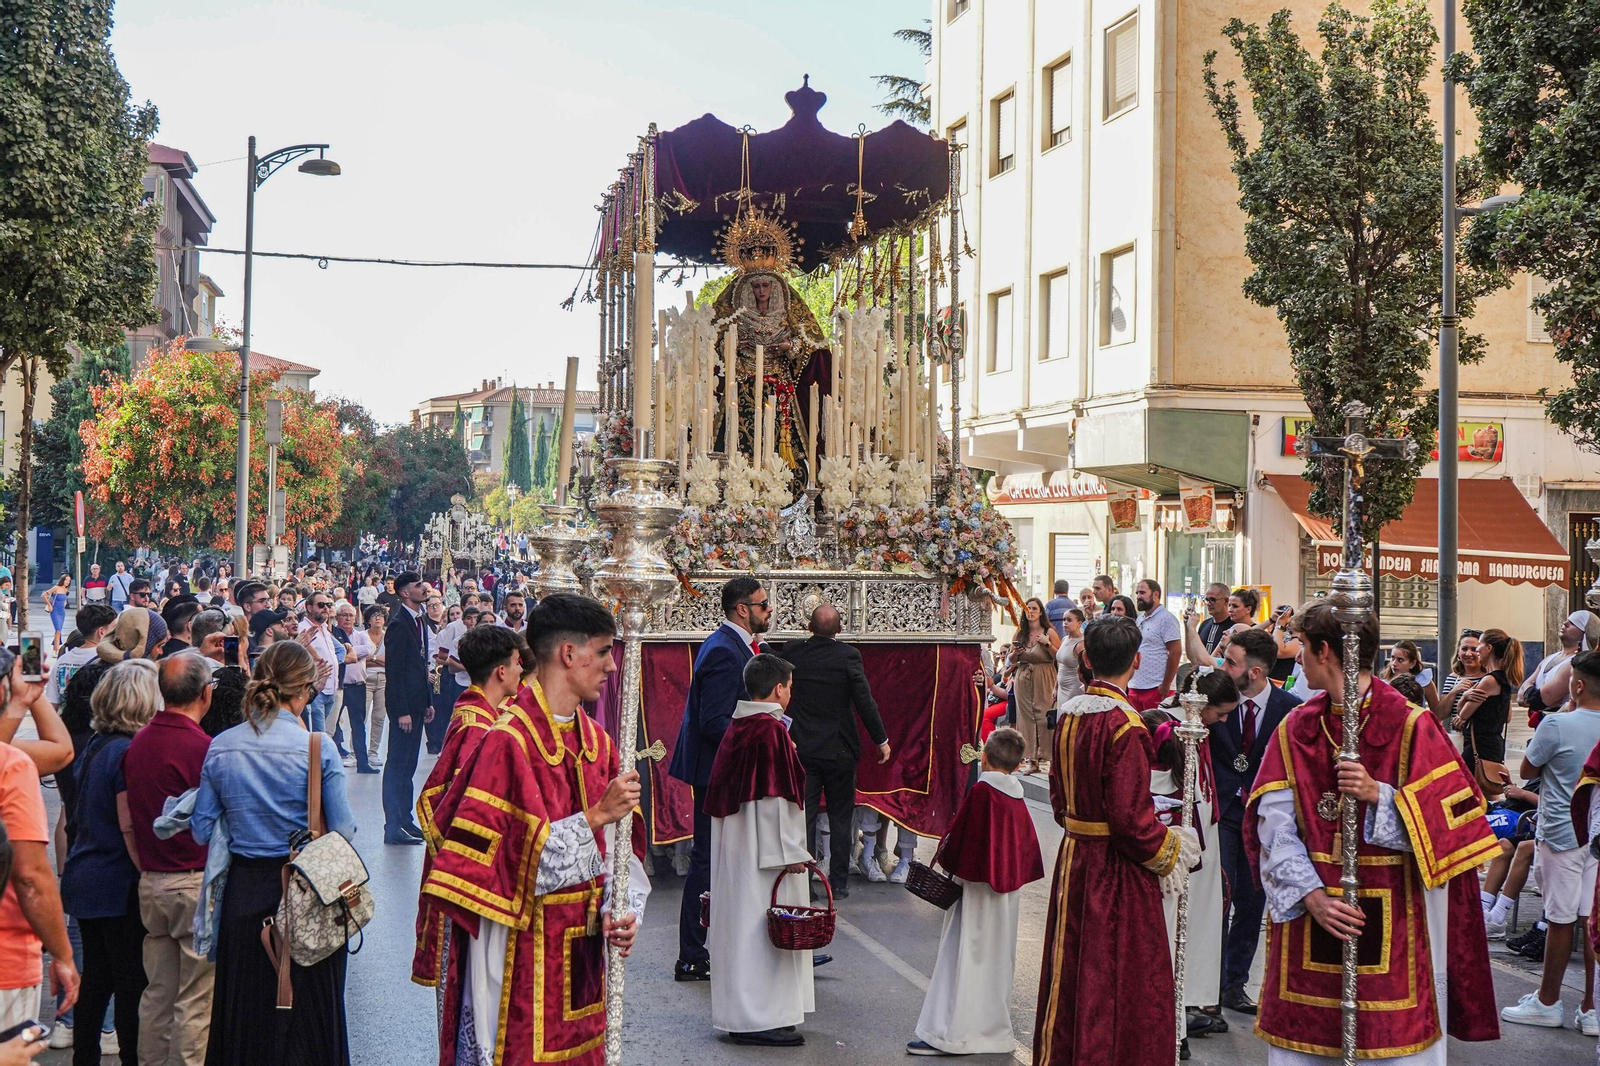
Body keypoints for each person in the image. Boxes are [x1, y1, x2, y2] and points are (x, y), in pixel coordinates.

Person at [1246, 600, 1500, 1061]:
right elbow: (1273, 827)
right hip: (1311, 916)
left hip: (1398, 926)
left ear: (1325, 650)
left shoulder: (1410, 724)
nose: (1296, 656)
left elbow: (1461, 828)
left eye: (1301, 646)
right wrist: (1312, 896)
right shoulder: (1296, 728)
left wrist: (1379, 794)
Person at [420, 593, 645, 1066]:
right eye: (602, 652)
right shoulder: (507, 743)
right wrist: (595, 817)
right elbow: (500, 871)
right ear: (569, 654)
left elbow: (620, 855)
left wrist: (620, 908)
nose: (610, 667)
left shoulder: (599, 742)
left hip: (582, 957)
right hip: (519, 956)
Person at [1033, 615, 1197, 1065]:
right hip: (1114, 867)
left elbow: (1057, 795)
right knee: (1116, 975)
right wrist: (1172, 848)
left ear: (1086, 660)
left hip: (1075, 857)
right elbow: (1130, 820)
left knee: (1074, 971)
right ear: (1138, 661)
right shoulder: (1126, 726)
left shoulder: (1070, 714)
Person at [190, 641, 355, 1066]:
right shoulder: (318, 747)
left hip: (245, 892)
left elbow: (201, 829)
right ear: (303, 691)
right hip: (306, 893)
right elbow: (345, 831)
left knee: (244, 1011)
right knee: (309, 1013)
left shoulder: (223, 745)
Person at [907, 727, 1044, 1057]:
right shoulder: (1016, 793)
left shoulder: (983, 792)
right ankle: (992, 1032)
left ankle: (952, 1035)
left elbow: (958, 839)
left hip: (977, 890)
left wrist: (945, 860)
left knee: (963, 956)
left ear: (983, 757)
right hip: (1006, 894)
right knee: (997, 960)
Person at [705, 654, 813, 1047]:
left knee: (744, 926)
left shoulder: (742, 724)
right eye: (790, 687)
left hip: (739, 842)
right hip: (761, 850)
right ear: (779, 688)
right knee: (759, 926)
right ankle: (757, 1017)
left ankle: (754, 1013)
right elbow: (772, 798)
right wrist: (790, 852)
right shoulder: (768, 731)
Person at [60, 660, 162, 1066]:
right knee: (129, 980)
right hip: (117, 877)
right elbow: (128, 825)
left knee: (98, 979)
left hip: (86, 872)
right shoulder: (127, 751)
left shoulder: (96, 745)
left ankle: (84, 1057)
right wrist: (149, 872)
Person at [411, 624, 523, 988]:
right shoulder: (477, 728)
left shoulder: (485, 713)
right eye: (518, 664)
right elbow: (465, 813)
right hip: (468, 878)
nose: (522, 671)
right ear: (501, 671)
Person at [668, 576, 768, 982]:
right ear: (742, 609)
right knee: (708, 862)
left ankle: (729, 945)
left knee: (724, 861)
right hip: (717, 773)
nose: (769, 610)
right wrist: (762, 733)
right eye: (763, 605)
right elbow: (714, 722)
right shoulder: (726, 652)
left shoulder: (731, 647)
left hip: (722, 771)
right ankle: (692, 954)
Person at [1500, 648, 1600, 1033]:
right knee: (1591, 920)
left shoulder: (1557, 726)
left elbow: (1527, 768)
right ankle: (1591, 1007)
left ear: (1576, 684)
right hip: (1594, 832)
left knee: (1558, 920)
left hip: (1561, 831)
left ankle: (1547, 1000)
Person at [124, 654, 215, 1066]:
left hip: (152, 881)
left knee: (157, 993)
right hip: (192, 881)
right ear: (205, 693)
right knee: (194, 1001)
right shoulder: (202, 747)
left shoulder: (140, 741)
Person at [1212, 627, 1300, 1015]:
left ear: (1256, 672)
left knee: (1251, 901)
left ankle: (1234, 984)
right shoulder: (1214, 698)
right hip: (1225, 813)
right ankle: (1208, 986)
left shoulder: (1289, 709)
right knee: (1219, 897)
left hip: (1263, 818)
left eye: (1230, 662)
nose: (1223, 667)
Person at [1149, 669, 1238, 1049]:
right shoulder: (1164, 728)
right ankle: (1170, 1014)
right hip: (1178, 842)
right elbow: (1157, 790)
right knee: (1176, 927)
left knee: (1199, 924)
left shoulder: (1195, 729)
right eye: (1221, 713)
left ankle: (1188, 1003)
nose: (1224, 721)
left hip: (1204, 837)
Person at [777, 604, 888, 899]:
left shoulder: (793, 651)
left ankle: (805, 883)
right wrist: (881, 739)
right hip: (840, 749)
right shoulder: (848, 656)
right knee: (841, 817)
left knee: (805, 816)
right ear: (839, 630)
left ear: (809, 628)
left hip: (804, 747)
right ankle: (838, 882)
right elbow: (864, 700)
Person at [0, 648, 79, 1035]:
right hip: (6, 954)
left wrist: (23, 701)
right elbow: (30, 876)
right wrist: (63, 955)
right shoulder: (10, 765)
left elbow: (62, 752)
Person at [382, 572, 433, 846]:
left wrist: (427, 703)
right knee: (397, 766)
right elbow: (396, 671)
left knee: (409, 766)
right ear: (404, 593)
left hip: (417, 706)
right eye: (417, 585)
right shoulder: (399, 625)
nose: (423, 588)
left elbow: (421, 666)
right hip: (404, 710)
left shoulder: (419, 620)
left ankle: (405, 819)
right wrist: (400, 710)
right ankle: (392, 825)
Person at [1452, 627, 1522, 784]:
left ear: (1489, 648)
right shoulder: (1503, 679)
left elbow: (1462, 714)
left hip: (1478, 747)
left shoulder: (1488, 681)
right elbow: (1507, 716)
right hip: (1493, 745)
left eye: (1479, 645)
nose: (1476, 650)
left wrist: (1463, 696)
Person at [1010, 599, 1060, 774]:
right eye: (1027, 608)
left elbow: (1058, 656)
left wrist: (1047, 643)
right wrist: (1015, 654)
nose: (1030, 611)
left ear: (1040, 612)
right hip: (1023, 677)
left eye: (1034, 608)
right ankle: (1031, 759)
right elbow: (1011, 660)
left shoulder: (1050, 632)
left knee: (1045, 716)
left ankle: (1052, 758)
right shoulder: (1020, 633)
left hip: (1044, 676)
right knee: (1026, 718)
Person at [46, 606, 116, 711]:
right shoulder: (108, 660)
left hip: (65, 725)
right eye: (114, 629)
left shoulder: (62, 660)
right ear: (101, 632)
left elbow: (52, 705)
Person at [294, 591, 341, 737]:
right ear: (309, 607)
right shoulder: (303, 628)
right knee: (318, 737)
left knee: (326, 735)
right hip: (314, 690)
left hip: (331, 688)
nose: (325, 608)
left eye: (328, 605)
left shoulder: (326, 629)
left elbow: (339, 651)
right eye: (321, 605)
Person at [1129, 579, 1180, 710]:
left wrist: (1166, 684)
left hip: (1157, 687)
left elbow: (1175, 652)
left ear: (1155, 595)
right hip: (1136, 686)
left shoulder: (1167, 619)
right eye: (1137, 593)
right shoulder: (1140, 619)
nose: (1138, 596)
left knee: (1155, 728)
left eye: (1142, 592)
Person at [360, 607, 387, 771]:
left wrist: (373, 658)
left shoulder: (388, 635)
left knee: (379, 717)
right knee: (361, 716)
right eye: (374, 616)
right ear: (368, 619)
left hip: (383, 679)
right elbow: (360, 659)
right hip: (365, 678)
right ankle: (357, 753)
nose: (378, 618)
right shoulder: (362, 636)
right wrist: (379, 659)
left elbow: (391, 659)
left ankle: (373, 752)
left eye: (381, 615)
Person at [1383, 639, 1439, 710]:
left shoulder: (1423, 681)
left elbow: (1436, 713)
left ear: (1412, 663)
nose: (1394, 663)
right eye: (1392, 658)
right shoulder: (1384, 684)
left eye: (1400, 660)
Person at [1053, 609, 1086, 712]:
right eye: (1064, 620)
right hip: (1061, 687)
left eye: (1069, 620)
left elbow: (1085, 670)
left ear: (1079, 623)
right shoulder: (1064, 639)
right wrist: (1055, 687)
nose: (1065, 623)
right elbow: (1060, 666)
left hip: (1074, 687)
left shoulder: (1081, 644)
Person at [1196, 583, 1232, 655]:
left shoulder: (1234, 627)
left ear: (1226, 601)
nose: (1209, 604)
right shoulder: (1204, 625)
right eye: (1207, 600)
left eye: (1212, 600)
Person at [43, 576, 72, 655]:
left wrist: (65, 603)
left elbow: (64, 599)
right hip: (54, 611)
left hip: (62, 612)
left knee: (58, 631)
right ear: (62, 580)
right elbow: (44, 595)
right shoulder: (56, 588)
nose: (67, 582)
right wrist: (49, 605)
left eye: (69, 580)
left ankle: (54, 649)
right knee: (58, 630)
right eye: (66, 580)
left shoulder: (66, 590)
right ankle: (57, 650)